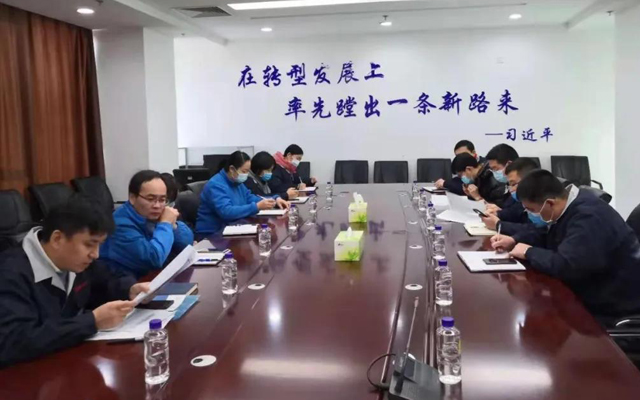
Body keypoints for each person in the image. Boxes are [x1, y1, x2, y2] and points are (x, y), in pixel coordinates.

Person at [0, 197, 151, 367]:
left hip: (68, 362)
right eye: (89, 244)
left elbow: (105, 281)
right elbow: (13, 342)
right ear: (57, 239)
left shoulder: (76, 261)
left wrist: (129, 289)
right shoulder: (9, 274)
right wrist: (92, 322)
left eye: (99, 245)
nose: (95, 254)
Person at [491, 170, 640, 325]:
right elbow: (547, 233)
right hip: (591, 288)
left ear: (550, 203)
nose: (529, 214)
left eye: (532, 210)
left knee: (544, 311)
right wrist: (514, 240)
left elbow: (567, 265)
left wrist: (529, 252)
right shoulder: (568, 205)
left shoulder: (588, 217)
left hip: (611, 303)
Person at [100, 170, 194, 278]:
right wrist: (165, 224)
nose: (157, 205)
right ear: (132, 198)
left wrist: (174, 226)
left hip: (152, 279)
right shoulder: (120, 224)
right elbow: (153, 259)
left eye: (162, 200)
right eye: (150, 199)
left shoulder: (153, 215)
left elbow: (187, 244)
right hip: (125, 284)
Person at [196, 151, 288, 235]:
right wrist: (256, 207)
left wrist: (274, 200)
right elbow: (226, 212)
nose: (246, 175)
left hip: (233, 228)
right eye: (244, 171)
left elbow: (250, 198)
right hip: (213, 234)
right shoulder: (216, 185)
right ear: (232, 169)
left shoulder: (237, 182)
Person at [481, 157, 539, 234]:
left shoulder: (542, 200)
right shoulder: (521, 198)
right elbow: (514, 212)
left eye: (513, 184)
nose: (511, 189)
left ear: (529, 181)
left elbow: (536, 230)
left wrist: (499, 225)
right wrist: (498, 214)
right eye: (509, 185)